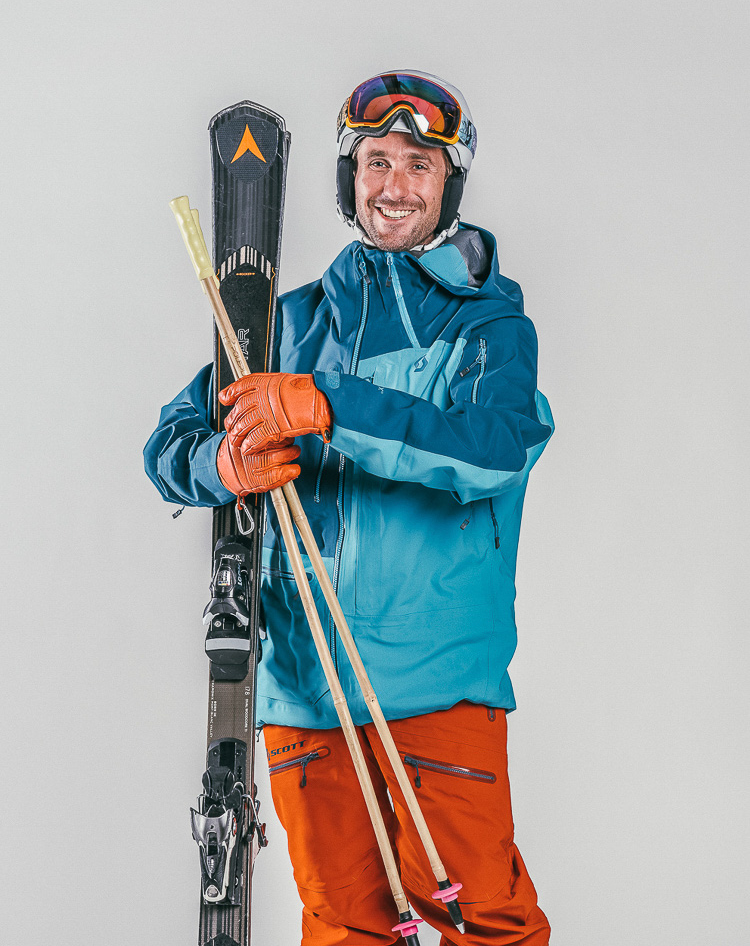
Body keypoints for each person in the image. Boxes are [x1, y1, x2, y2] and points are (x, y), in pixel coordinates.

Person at [145, 70, 554, 946]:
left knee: (484, 920)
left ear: (449, 183)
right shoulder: (286, 326)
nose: (394, 185)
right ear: (349, 176)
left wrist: (332, 408)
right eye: (376, 161)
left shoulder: (486, 328)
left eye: (418, 163)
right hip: (301, 688)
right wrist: (220, 461)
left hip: (435, 684)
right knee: (344, 928)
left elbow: (494, 448)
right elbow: (167, 447)